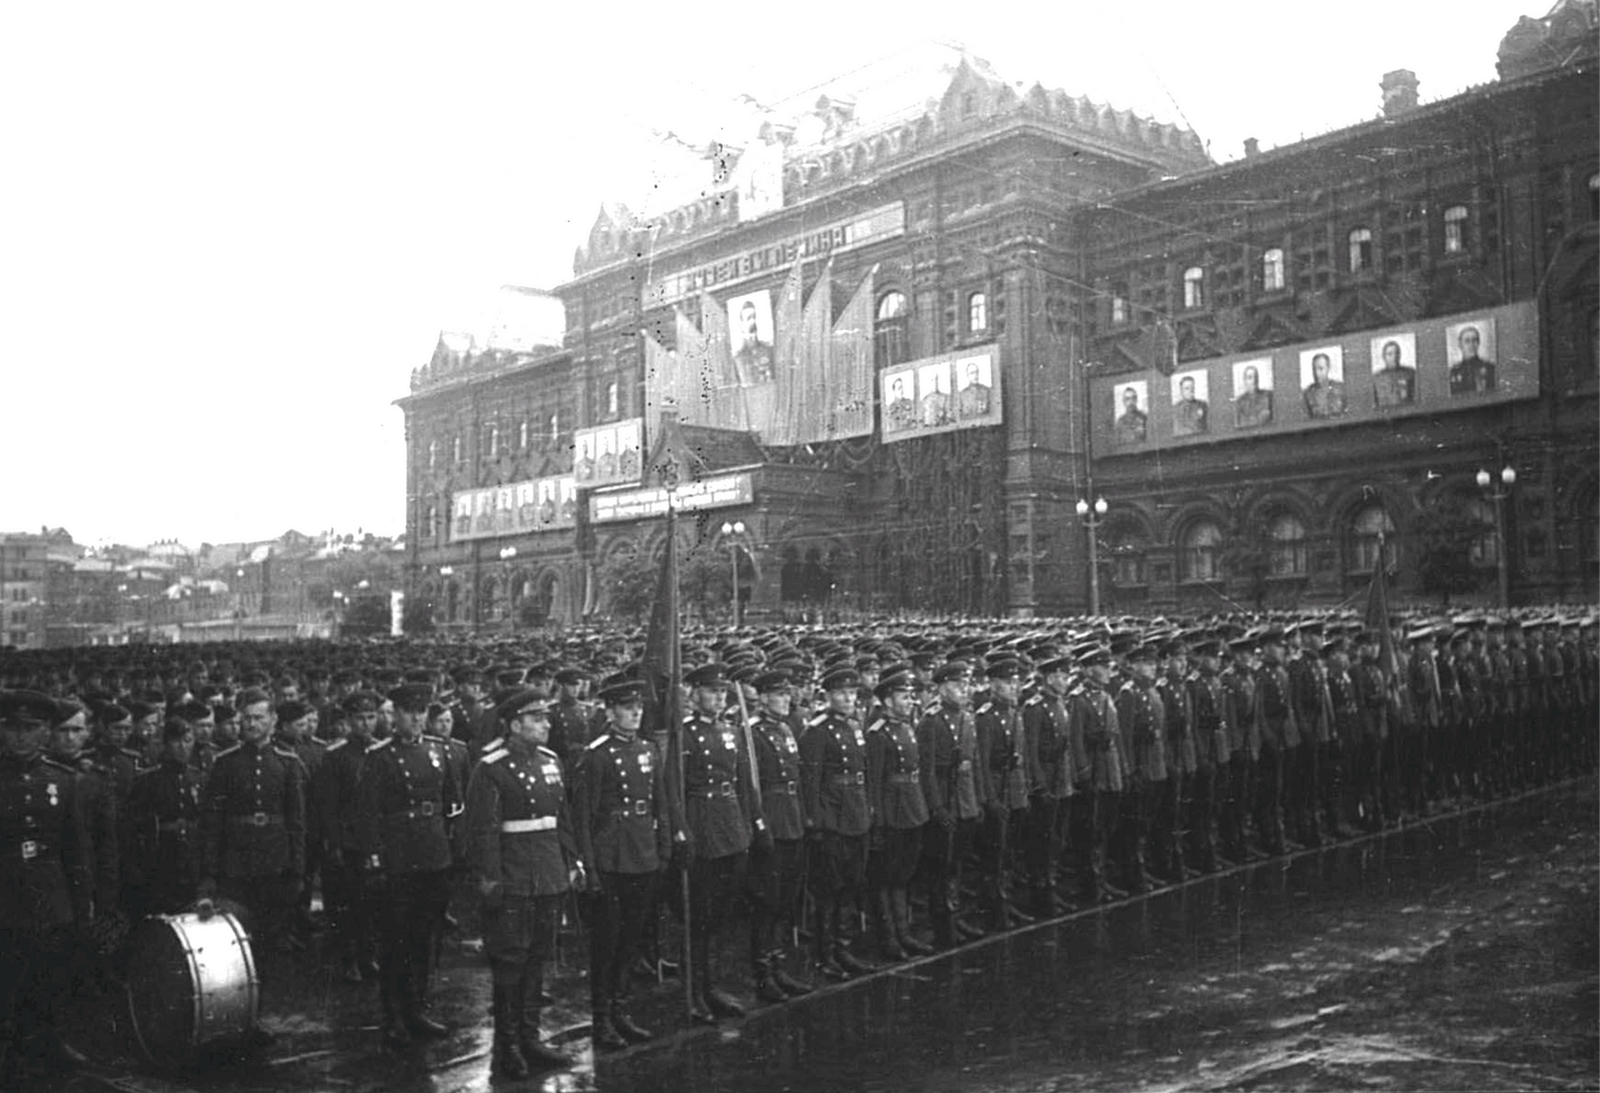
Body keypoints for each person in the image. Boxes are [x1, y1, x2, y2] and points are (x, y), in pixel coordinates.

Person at [465, 689, 580, 1077]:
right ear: (515, 724)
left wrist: (572, 862)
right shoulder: (491, 767)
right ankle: (507, 1046)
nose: (547, 724)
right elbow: (482, 831)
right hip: (513, 879)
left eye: (546, 717)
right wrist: (491, 880)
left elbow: (562, 819)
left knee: (537, 961)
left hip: (547, 875)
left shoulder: (550, 761)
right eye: (537, 718)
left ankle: (531, 1038)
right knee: (510, 964)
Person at [357, 684, 459, 1048]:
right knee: (395, 941)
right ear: (395, 716)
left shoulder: (438, 751)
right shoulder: (379, 756)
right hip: (398, 859)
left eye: (420, 711)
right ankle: (394, 1016)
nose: (415, 718)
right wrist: (374, 859)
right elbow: (367, 815)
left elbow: (452, 803)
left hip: (433, 853)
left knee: (424, 940)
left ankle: (417, 1008)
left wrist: (452, 848)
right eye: (408, 711)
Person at [0, 691, 93, 1082]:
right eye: (13, 729)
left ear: (44, 733)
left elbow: (76, 851)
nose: (20, 737)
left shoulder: (63, 781)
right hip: (5, 896)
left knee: (49, 975)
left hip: (50, 896)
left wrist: (79, 903)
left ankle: (49, 1039)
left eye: (31, 729)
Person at [571, 679, 667, 1049]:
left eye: (638, 707)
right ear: (610, 712)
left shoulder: (647, 749)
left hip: (642, 853)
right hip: (611, 858)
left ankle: (620, 1009)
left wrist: (661, 849)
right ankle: (601, 1018)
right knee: (607, 943)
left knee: (630, 938)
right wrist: (590, 868)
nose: (635, 712)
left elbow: (659, 802)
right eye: (627, 707)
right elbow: (583, 817)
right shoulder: (596, 755)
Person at [678, 663, 763, 1021]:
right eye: (711, 691)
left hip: (730, 826)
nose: (718, 698)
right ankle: (694, 991)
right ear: (694, 694)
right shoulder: (685, 734)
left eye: (723, 692)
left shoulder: (730, 731)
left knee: (718, 915)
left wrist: (747, 825)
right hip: (702, 824)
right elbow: (677, 790)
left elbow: (743, 782)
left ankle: (710, 986)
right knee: (698, 916)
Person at [199, 687, 307, 961]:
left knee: (271, 935)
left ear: (272, 720)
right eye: (246, 718)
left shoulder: (288, 763)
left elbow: (296, 821)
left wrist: (297, 868)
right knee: (237, 936)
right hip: (236, 862)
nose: (251, 724)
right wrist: (211, 870)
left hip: (275, 861)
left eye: (259, 717)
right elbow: (213, 820)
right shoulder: (225, 763)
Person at [800, 666, 875, 979]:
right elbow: (811, 780)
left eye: (852, 693)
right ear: (827, 696)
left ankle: (843, 948)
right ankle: (825, 954)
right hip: (832, 818)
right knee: (828, 891)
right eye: (842, 693)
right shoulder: (817, 731)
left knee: (850, 886)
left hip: (855, 813)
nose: (848, 698)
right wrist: (816, 822)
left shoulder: (854, 726)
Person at [745, 670, 813, 1002]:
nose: (786, 700)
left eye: (787, 695)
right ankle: (763, 973)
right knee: (767, 901)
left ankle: (779, 965)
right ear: (762, 698)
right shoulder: (752, 734)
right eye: (778, 695)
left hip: (791, 819)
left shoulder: (785, 729)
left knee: (785, 900)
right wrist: (760, 825)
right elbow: (751, 788)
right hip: (771, 820)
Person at [864, 669, 931, 961]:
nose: (910, 701)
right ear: (887, 700)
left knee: (903, 875)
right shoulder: (877, 733)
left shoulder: (906, 727)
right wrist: (877, 821)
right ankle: (889, 938)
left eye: (910, 696)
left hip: (911, 808)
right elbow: (874, 781)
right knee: (885, 878)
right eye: (904, 696)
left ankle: (904, 933)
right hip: (891, 812)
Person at [733, 299, 774, 384]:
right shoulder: (738, 358)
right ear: (742, 325)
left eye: (754, 317)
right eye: (748, 319)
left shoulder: (768, 350)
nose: (753, 322)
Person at [1449, 325, 1496, 395]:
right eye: (1467, 341)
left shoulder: (1490, 368)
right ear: (1460, 345)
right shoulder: (1453, 372)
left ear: (1479, 343)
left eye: (1475, 340)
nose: (1471, 345)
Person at [1302, 352, 1347, 418]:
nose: (1317, 373)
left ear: (1328, 368)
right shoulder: (1308, 394)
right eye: (1314, 369)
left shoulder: (1340, 389)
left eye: (1321, 369)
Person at [1372, 339, 1415, 407]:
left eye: (1396, 353)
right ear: (1384, 357)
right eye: (1390, 354)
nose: (1394, 357)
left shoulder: (1410, 374)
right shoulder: (1376, 378)